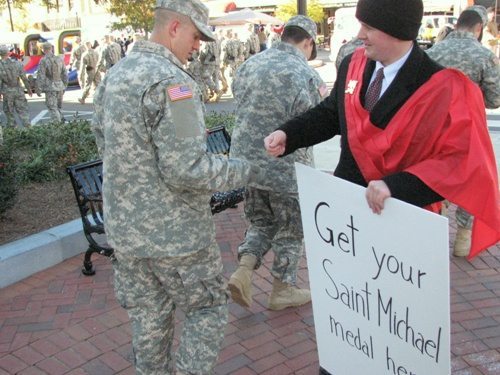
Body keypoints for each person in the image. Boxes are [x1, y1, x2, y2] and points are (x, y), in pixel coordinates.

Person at [91, 0, 267, 373]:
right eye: (195, 35)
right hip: (177, 238)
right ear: (174, 27)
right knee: (208, 309)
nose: (199, 46)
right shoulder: (176, 84)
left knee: (149, 320)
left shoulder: (116, 75)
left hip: (126, 233)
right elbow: (188, 169)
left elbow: (104, 144)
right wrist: (244, 170)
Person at [265, 0, 499, 271]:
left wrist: (396, 186)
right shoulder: (353, 63)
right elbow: (332, 113)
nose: (359, 35)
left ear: (397, 31)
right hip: (349, 213)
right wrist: (289, 134)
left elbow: (458, 163)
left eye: (369, 27)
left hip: (403, 221)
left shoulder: (442, 86)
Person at [228, 15, 328, 311]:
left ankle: (243, 271)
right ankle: (282, 288)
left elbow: (238, 98)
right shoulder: (305, 73)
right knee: (290, 227)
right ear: (308, 42)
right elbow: (321, 117)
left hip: (247, 164)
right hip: (286, 166)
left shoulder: (250, 64)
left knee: (261, 221)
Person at [427, 5, 500, 257]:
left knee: (435, 175)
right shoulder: (484, 56)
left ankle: (436, 223)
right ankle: (463, 238)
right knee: (471, 179)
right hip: (468, 130)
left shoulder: (434, 51)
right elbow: (495, 98)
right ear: (479, 28)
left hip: (433, 129)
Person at [0, 45, 32, 128]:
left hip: (7, 92)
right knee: (23, 111)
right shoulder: (17, 63)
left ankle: (14, 133)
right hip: (18, 90)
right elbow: (24, 77)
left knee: (9, 112)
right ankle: (29, 129)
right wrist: (28, 89)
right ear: (8, 53)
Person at [36, 42, 67, 123]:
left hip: (50, 87)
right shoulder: (59, 59)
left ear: (43, 50)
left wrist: (38, 88)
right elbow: (65, 73)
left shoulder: (43, 60)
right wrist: (64, 85)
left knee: (52, 108)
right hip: (60, 85)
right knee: (58, 107)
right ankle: (62, 122)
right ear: (51, 48)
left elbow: (41, 75)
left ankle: (57, 126)